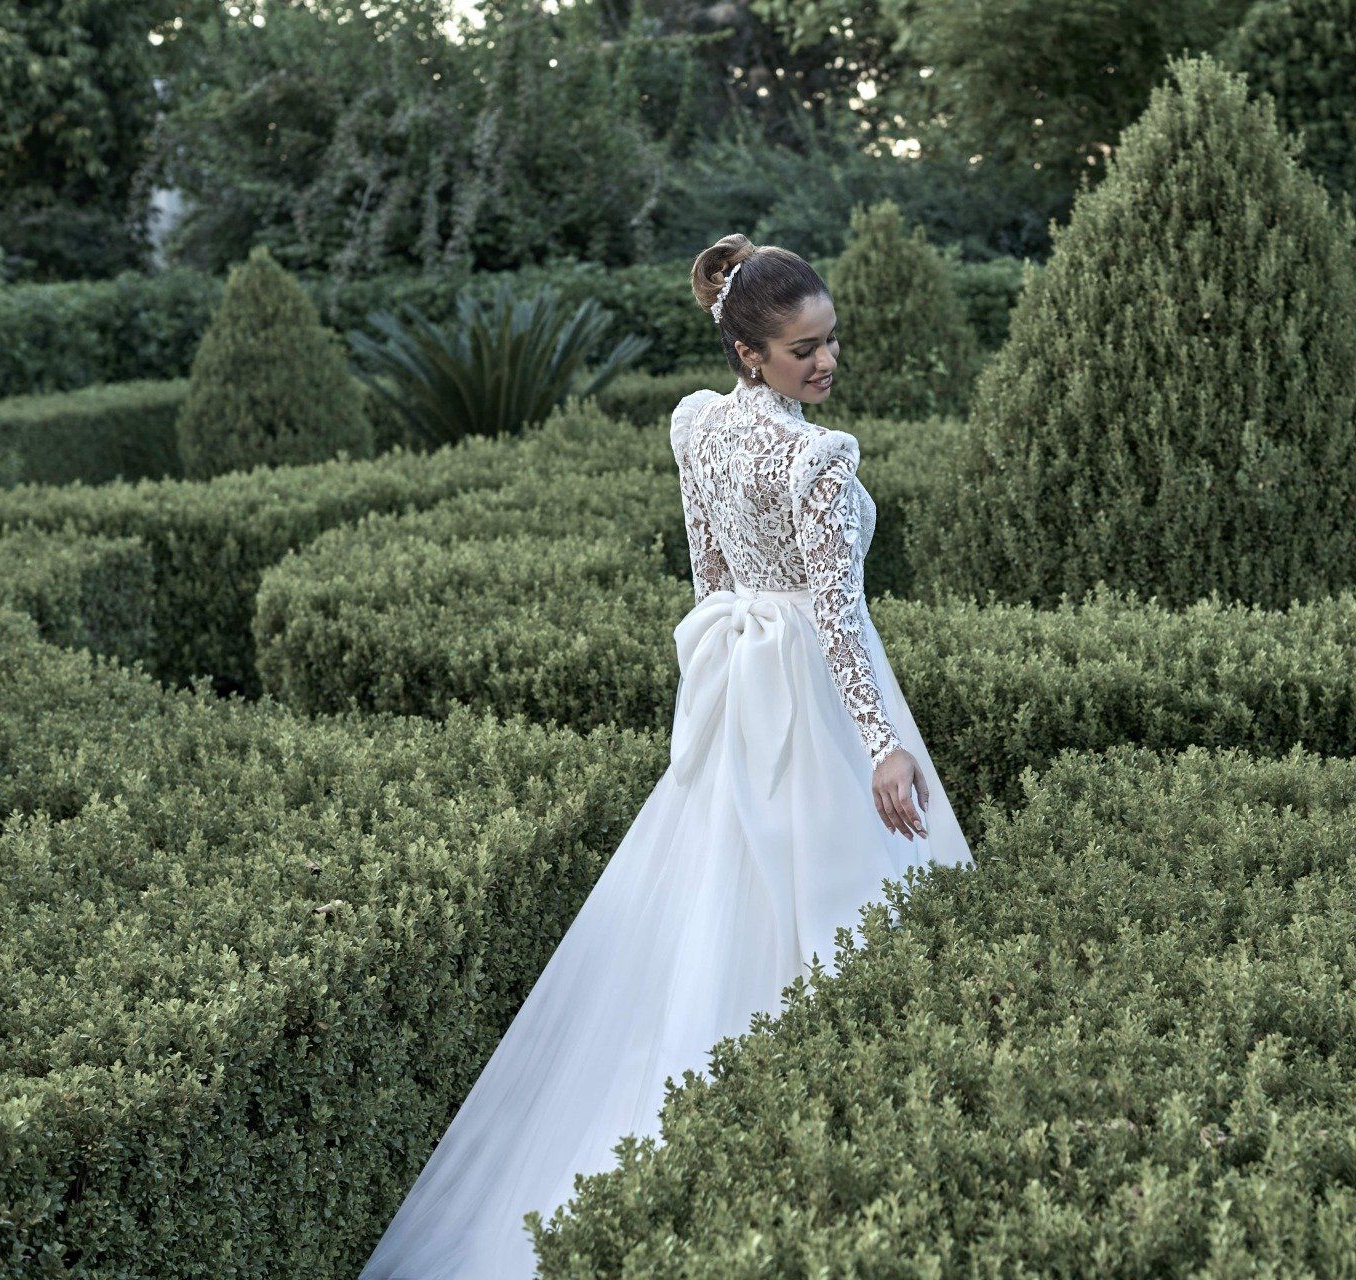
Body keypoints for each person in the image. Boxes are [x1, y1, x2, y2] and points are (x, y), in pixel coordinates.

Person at [358, 234, 975, 1278]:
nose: (827, 362)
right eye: (804, 350)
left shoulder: (696, 428)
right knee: (836, 904)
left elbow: (711, 582)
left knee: (719, 893)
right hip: (814, 692)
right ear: (750, 354)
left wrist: (724, 696)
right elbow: (837, 614)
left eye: (831, 341)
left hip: (741, 681)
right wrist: (882, 746)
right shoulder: (818, 460)